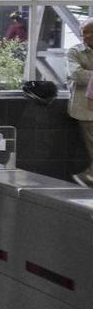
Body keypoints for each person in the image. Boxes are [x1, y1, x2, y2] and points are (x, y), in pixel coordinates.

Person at [67, 19, 93, 187]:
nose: (84, 36)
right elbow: (77, 75)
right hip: (85, 109)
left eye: (88, 32)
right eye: (82, 32)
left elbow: (85, 75)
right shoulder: (74, 51)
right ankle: (88, 177)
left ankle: (88, 177)